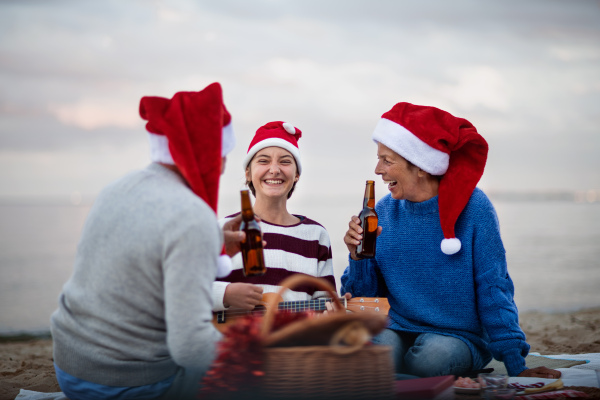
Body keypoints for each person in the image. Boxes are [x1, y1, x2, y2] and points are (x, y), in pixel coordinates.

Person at [341, 102, 561, 379]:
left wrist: (516, 364)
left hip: (458, 336)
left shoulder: (474, 208)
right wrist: (358, 257)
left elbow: (494, 288)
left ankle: (407, 379)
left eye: (387, 160)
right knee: (373, 354)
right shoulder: (382, 212)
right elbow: (364, 300)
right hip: (397, 328)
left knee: (430, 361)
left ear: (420, 166)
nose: (377, 169)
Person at [50, 83, 243, 400]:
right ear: (211, 154)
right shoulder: (192, 217)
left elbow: (145, 257)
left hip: (69, 366)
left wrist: (215, 242)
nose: (223, 165)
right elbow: (190, 347)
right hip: (126, 383)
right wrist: (259, 362)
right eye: (224, 154)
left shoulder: (119, 188)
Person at [213, 121, 336, 313]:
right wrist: (225, 293)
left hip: (294, 340)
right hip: (237, 339)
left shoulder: (316, 235)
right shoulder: (225, 229)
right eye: (263, 161)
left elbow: (324, 301)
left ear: (296, 175)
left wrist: (330, 314)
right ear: (248, 173)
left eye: (285, 161)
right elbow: (191, 289)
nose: (274, 169)